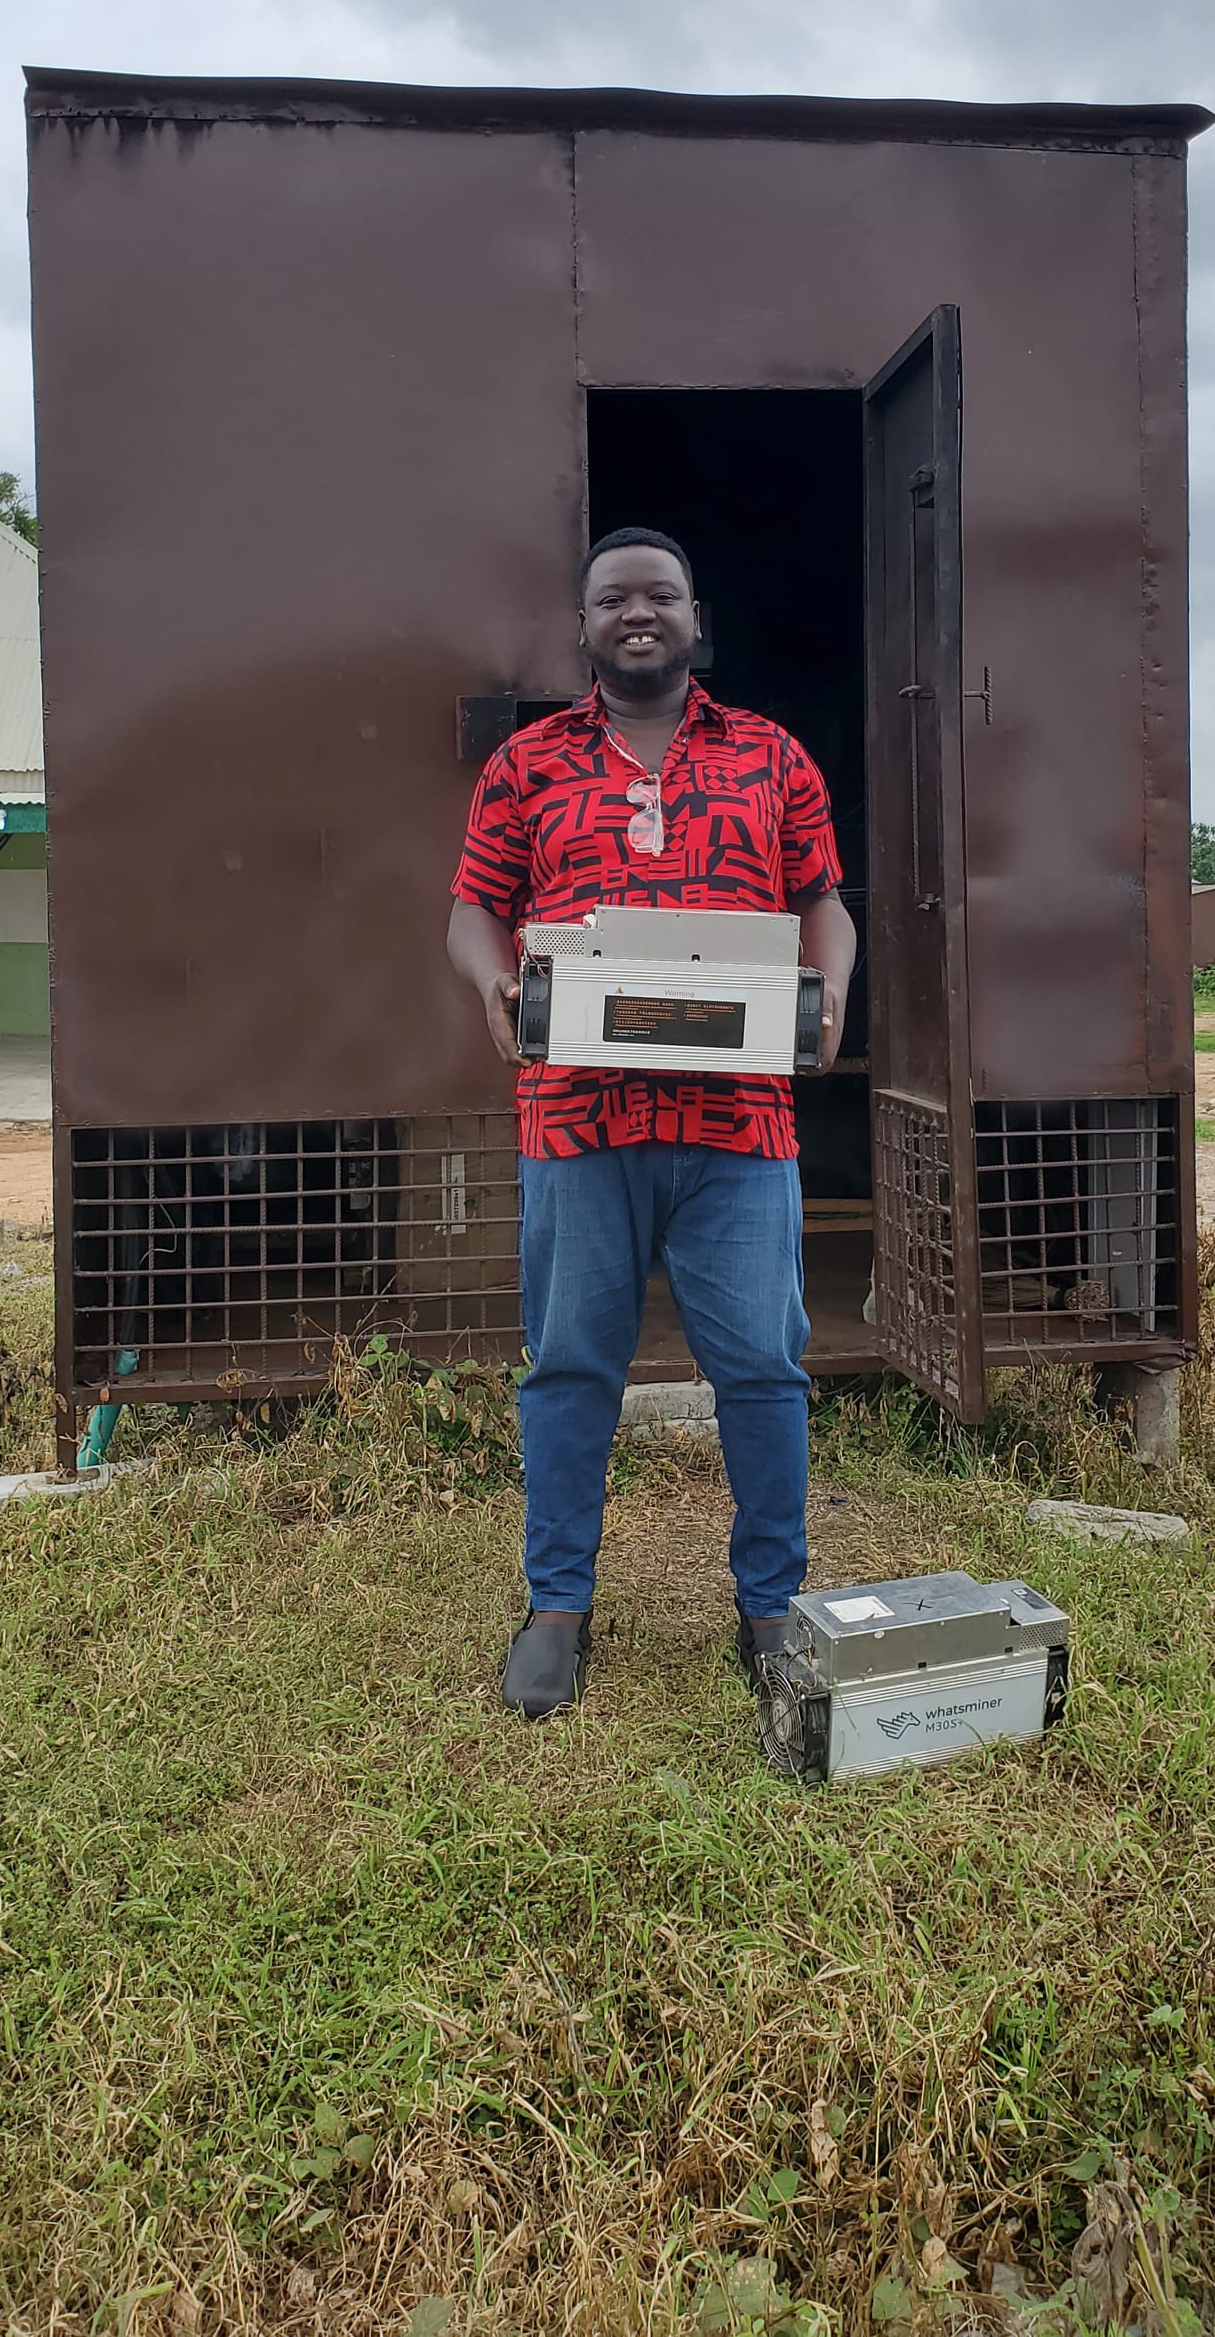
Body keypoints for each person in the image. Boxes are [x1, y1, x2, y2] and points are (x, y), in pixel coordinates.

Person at [446, 527, 858, 1718]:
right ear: (580, 627)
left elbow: (820, 900)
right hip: (576, 1122)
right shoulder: (526, 765)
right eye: (611, 598)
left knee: (764, 1370)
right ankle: (556, 1609)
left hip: (737, 1131)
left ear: (694, 618)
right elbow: (472, 908)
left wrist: (829, 989)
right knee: (570, 1366)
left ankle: (768, 1606)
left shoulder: (771, 756)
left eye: (659, 595)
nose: (637, 611)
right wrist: (488, 981)